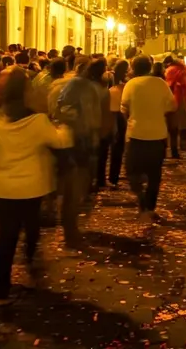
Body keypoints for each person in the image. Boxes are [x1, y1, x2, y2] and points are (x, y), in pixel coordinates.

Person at [0, 69, 73, 306]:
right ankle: (31, 258)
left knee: (5, 239)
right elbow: (60, 141)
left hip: (3, 187)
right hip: (32, 186)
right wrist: (66, 125)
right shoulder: (37, 121)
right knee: (31, 224)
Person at [55, 56, 107, 248]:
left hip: (86, 138)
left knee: (81, 185)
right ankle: (70, 228)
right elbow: (61, 107)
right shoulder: (76, 84)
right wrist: (77, 122)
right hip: (77, 139)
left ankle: (72, 225)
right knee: (73, 186)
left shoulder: (92, 86)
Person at [121, 56, 175, 222]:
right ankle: (150, 208)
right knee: (154, 174)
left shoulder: (131, 84)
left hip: (136, 134)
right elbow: (172, 105)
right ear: (150, 67)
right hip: (157, 134)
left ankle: (142, 201)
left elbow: (124, 107)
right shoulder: (161, 84)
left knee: (132, 171)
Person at [98, 59, 130, 188]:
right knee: (117, 149)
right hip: (118, 114)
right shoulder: (125, 84)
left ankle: (101, 179)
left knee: (104, 150)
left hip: (108, 113)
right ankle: (113, 177)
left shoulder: (108, 81)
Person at [164, 57, 186, 159]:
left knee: (173, 128)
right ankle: (184, 145)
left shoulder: (170, 71)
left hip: (173, 100)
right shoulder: (185, 71)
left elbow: (168, 84)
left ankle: (174, 149)